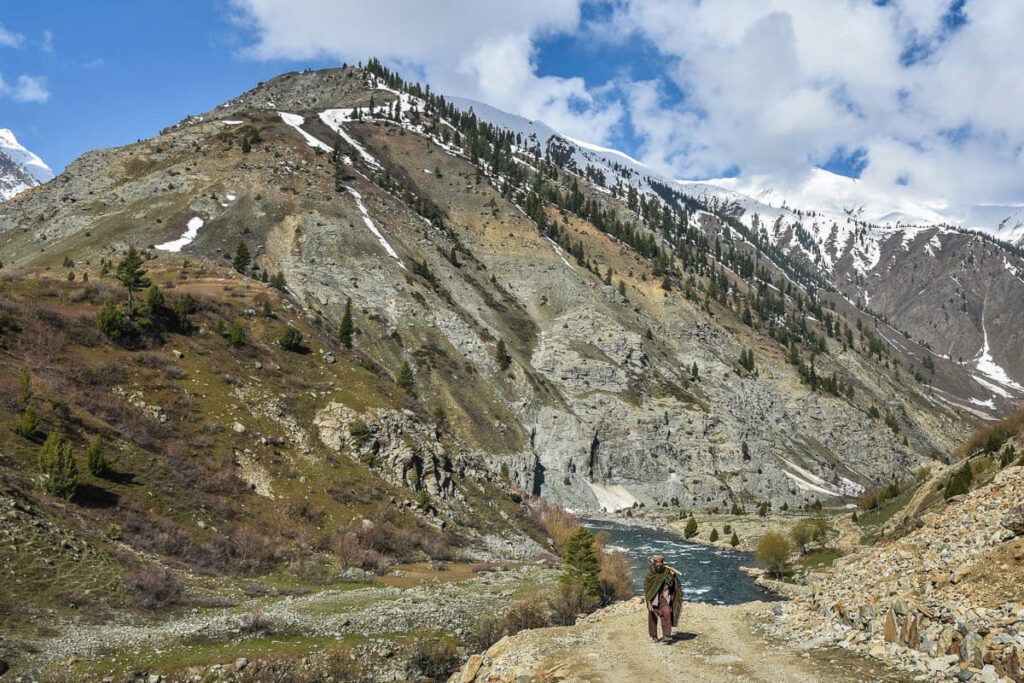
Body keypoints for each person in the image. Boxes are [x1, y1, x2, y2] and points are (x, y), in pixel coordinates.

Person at [644, 554, 681, 642]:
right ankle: (654, 636)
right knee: (652, 616)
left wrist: (672, 575)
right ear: (654, 563)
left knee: (666, 612)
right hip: (653, 598)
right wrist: (648, 601)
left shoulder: (666, 571)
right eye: (657, 562)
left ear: (663, 563)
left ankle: (666, 635)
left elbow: (670, 584)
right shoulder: (650, 572)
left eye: (661, 562)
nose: (659, 564)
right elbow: (647, 587)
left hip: (663, 597)